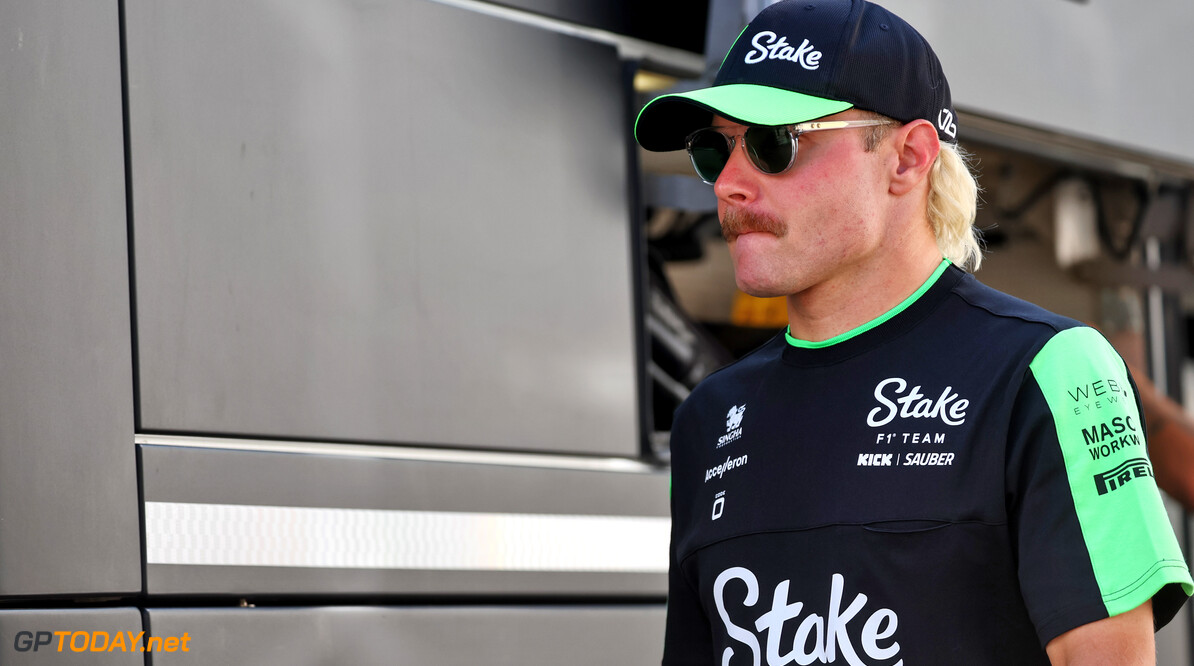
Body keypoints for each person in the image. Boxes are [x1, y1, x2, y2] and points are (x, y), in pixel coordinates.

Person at [632, 1, 1193, 663]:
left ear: (907, 158)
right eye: (713, 149)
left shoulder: (1048, 371)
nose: (728, 183)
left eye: (771, 143)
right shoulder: (708, 419)